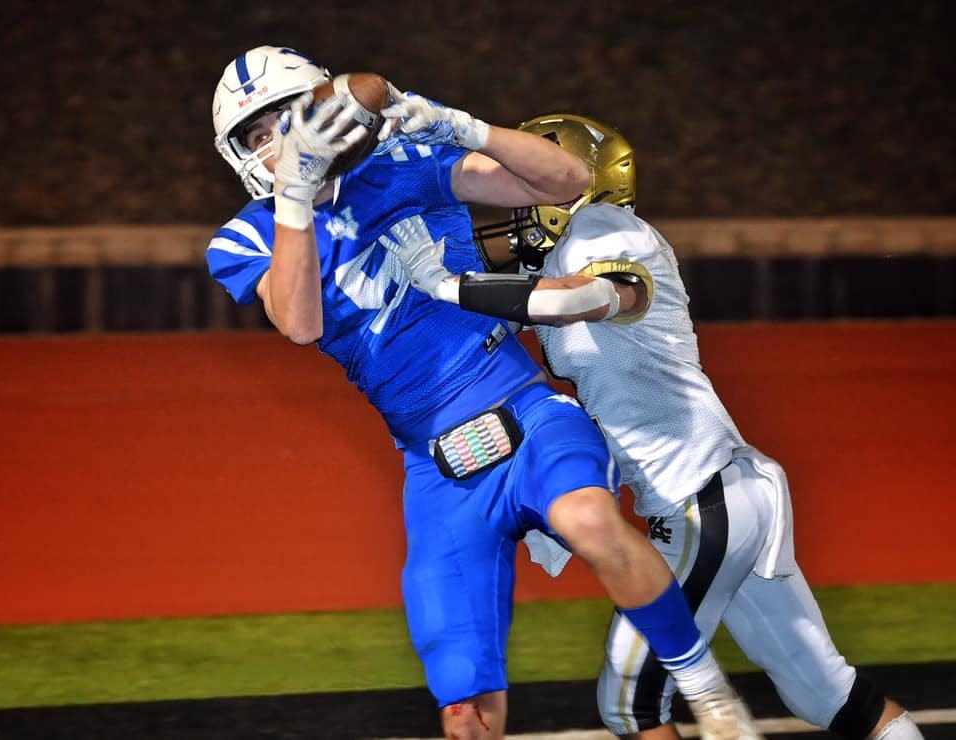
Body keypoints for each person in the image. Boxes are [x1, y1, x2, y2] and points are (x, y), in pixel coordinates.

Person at [205, 47, 762, 740]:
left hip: (524, 406)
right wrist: (293, 196)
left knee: (591, 523)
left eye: (282, 122)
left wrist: (454, 123)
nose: (272, 144)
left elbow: (564, 181)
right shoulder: (244, 238)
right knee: (466, 713)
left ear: (321, 114)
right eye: (254, 136)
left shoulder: (399, 168)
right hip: (435, 466)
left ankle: (708, 694)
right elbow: (297, 323)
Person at [382, 113, 925, 740]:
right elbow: (515, 315)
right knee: (825, 691)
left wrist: (451, 285)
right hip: (724, 493)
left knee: (633, 707)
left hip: (703, 501)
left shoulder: (603, 230)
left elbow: (583, 298)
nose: (521, 200)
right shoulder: (572, 249)